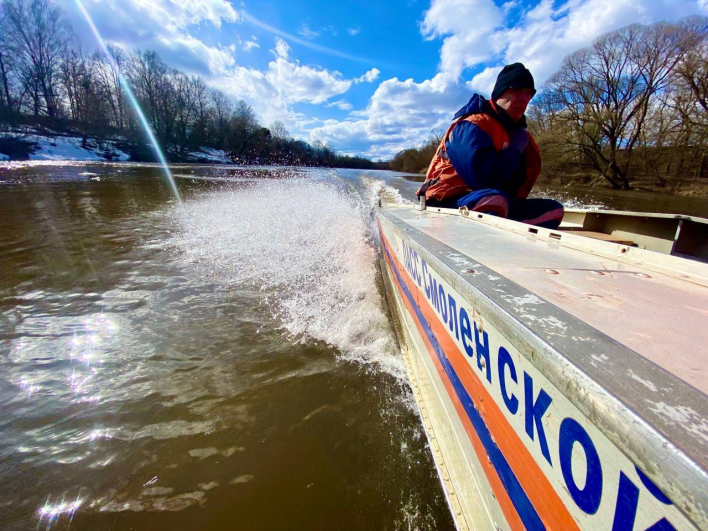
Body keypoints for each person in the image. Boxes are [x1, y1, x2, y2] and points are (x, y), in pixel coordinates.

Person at [417, 63, 564, 229]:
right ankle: (504, 233)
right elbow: (482, 179)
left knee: (554, 210)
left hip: (495, 202)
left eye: (529, 93)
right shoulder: (472, 126)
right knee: (495, 201)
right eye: (516, 90)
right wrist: (514, 150)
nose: (524, 98)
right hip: (445, 203)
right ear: (500, 93)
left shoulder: (520, 137)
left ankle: (510, 234)